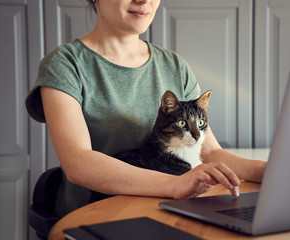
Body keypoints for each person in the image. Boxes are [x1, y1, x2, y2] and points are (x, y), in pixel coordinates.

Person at [26, 0, 266, 217]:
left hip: (171, 210)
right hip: (98, 214)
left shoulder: (174, 65)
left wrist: (271, 172)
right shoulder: (64, 64)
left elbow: (210, 153)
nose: (143, 0)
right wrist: (175, 184)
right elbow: (78, 164)